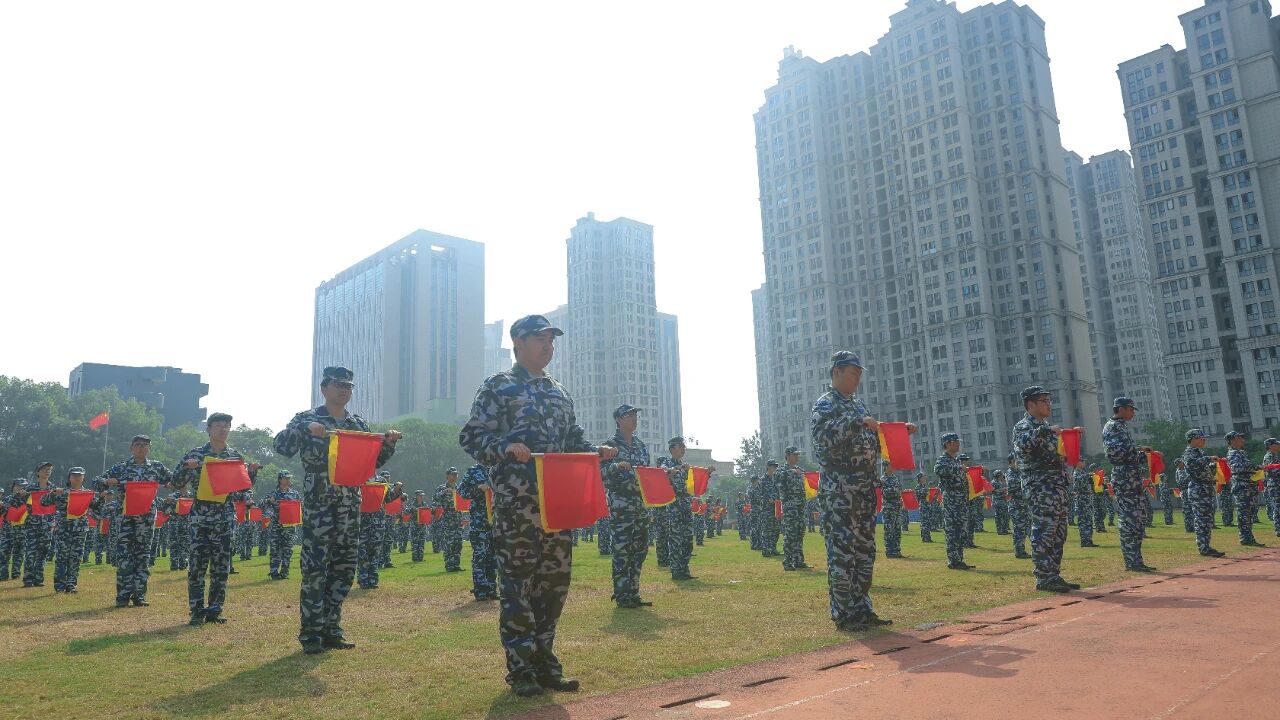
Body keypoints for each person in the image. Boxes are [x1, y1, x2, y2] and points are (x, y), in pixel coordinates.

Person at [458, 314, 617, 696]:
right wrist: (504, 447)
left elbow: (573, 439)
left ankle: (546, 663)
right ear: (518, 342)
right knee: (518, 587)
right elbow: (472, 437)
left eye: (551, 340)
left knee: (553, 586)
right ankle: (521, 670)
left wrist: (595, 451)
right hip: (518, 506)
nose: (548, 346)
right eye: (540, 339)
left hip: (557, 504)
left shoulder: (559, 392)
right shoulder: (498, 386)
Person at [273, 365, 400, 654]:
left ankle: (332, 629)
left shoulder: (357, 424)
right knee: (315, 568)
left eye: (349, 386)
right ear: (324, 388)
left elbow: (370, 464)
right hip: (320, 505)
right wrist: (304, 430)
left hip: (349, 505)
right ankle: (311, 633)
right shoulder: (307, 418)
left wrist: (388, 444)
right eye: (339, 384)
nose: (345, 390)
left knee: (343, 568)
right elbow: (281, 445)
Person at [812, 350, 912, 630]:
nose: (857, 378)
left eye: (859, 374)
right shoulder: (825, 404)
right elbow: (823, 438)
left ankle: (862, 609)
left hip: (865, 489)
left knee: (864, 552)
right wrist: (855, 423)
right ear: (837, 373)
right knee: (842, 554)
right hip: (840, 491)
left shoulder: (859, 405)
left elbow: (873, 440)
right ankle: (844, 614)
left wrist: (899, 432)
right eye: (853, 373)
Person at [170, 412, 260, 625]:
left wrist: (251, 473)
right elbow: (175, 481)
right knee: (197, 567)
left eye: (227, 425)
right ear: (209, 429)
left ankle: (215, 611)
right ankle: (196, 611)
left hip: (224, 517)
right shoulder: (196, 454)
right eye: (218, 425)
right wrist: (187, 467)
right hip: (200, 517)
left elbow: (242, 489)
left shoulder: (235, 457)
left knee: (221, 567)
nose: (223, 429)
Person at [1012, 386, 1078, 593]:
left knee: (1059, 533)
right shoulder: (1023, 426)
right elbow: (1023, 445)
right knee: (1044, 531)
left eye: (1049, 400)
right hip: (1040, 487)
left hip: (1057, 486)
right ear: (1031, 404)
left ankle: (1054, 575)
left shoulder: (1048, 427)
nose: (1049, 404)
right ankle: (1043, 577)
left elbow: (1058, 454)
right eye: (1044, 401)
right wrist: (1045, 431)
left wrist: (1070, 437)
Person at [99, 435, 172, 607]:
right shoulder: (121, 467)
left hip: (146, 518)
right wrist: (107, 481)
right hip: (126, 518)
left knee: (143, 556)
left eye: (145, 445)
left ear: (149, 449)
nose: (141, 448)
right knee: (124, 557)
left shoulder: (156, 467)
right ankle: (123, 596)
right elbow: (97, 482)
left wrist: (172, 484)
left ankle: (139, 595)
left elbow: (176, 479)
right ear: (131, 448)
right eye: (138, 445)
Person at [599, 404, 651, 607]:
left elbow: (646, 472)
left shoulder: (640, 445)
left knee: (640, 549)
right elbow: (600, 474)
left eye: (635, 415)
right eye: (629, 416)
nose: (634, 419)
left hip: (640, 503)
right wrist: (615, 466)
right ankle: (622, 595)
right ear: (618, 420)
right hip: (621, 503)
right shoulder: (609, 446)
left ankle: (633, 593)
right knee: (622, 550)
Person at [1103, 397, 1156, 572]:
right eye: (1131, 409)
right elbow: (1115, 454)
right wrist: (1138, 450)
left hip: (1132, 477)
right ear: (1121, 409)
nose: (1133, 412)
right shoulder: (1112, 426)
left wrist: (1142, 454)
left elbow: (1127, 453)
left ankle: (1136, 560)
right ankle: (1132, 562)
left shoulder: (1122, 427)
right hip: (1124, 477)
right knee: (1129, 519)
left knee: (1138, 518)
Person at [41, 467, 93, 593]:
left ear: (83, 478)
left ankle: (71, 584)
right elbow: (43, 502)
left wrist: (101, 497)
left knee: (76, 557)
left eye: (79, 475)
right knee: (62, 557)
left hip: (80, 530)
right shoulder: (61, 492)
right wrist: (53, 493)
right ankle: (60, 585)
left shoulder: (87, 493)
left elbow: (99, 508)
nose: (77, 477)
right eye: (74, 475)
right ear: (69, 477)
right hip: (64, 529)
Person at [457, 464, 498, 600]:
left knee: (493, 556)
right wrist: (478, 488)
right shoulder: (473, 471)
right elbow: (461, 491)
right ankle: (480, 590)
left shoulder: (499, 468)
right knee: (480, 555)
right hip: (479, 521)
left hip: (497, 520)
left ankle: (492, 589)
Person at [1181, 429, 1224, 557]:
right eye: (1201, 438)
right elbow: (1192, 465)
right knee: (1201, 519)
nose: (1204, 440)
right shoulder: (1189, 452)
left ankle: (1206, 546)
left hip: (1206, 488)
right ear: (1193, 439)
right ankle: (1203, 548)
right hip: (1198, 489)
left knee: (1207, 519)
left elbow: (1203, 470)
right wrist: (1208, 458)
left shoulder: (1199, 452)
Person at [661, 436, 697, 580]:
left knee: (687, 539)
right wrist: (673, 469)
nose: (683, 449)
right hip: (674, 506)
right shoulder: (667, 463)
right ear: (672, 449)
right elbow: (663, 471)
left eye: (683, 446)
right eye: (680, 446)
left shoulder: (685, 466)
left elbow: (691, 484)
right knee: (676, 539)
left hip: (685, 505)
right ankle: (676, 571)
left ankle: (684, 569)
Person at [935, 433, 971, 570]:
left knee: (962, 531)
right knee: (952, 530)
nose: (958, 444)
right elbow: (939, 470)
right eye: (955, 442)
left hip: (961, 500)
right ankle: (953, 560)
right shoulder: (943, 460)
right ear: (947, 444)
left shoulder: (956, 460)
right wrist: (959, 468)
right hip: (951, 500)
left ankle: (959, 559)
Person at [1225, 431, 1266, 547]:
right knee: (1244, 513)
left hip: (1249, 486)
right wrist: (1255, 467)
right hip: (1242, 487)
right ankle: (1245, 538)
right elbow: (1237, 468)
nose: (1242, 440)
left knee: (1250, 512)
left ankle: (1248, 537)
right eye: (1239, 438)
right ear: (1232, 440)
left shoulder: (1241, 453)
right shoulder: (1233, 453)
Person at [261, 470, 301, 579]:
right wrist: (269, 501)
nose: (288, 480)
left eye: (289, 478)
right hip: (277, 527)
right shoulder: (273, 493)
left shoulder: (295, 494)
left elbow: (300, 507)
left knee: (288, 550)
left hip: (290, 527)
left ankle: (285, 573)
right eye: (286, 478)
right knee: (275, 550)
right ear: (280, 480)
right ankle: (274, 572)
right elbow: (261, 505)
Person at [23, 462, 55, 587]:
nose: (47, 471)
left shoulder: (53, 488)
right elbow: (16, 502)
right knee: (30, 552)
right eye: (45, 469)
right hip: (32, 525)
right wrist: (22, 495)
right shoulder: (30, 488)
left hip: (47, 525)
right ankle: (28, 579)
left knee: (43, 552)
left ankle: (38, 579)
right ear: (38, 472)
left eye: (49, 469)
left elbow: (59, 505)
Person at [432, 469, 465, 572]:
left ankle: (456, 564)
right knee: (449, 543)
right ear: (447, 476)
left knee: (458, 543)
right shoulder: (442, 488)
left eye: (456, 474)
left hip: (458, 519)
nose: (455, 476)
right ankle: (449, 565)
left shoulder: (459, 488)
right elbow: (435, 499)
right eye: (452, 474)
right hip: (447, 519)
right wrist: (445, 492)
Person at [1, 478, 30, 580]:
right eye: (19, 486)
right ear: (13, 487)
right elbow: (3, 512)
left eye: (23, 486)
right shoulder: (7, 499)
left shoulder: (29, 500)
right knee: (4, 553)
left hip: (22, 531)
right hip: (7, 531)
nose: (21, 488)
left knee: (19, 553)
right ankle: (3, 574)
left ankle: (16, 573)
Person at [1071, 462, 1097, 548]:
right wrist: (1088, 475)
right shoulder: (1076, 473)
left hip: (1087, 499)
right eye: (1082, 461)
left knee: (1089, 520)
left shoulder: (1082, 472)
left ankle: (1089, 540)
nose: (1084, 463)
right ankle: (1084, 541)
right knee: (1083, 520)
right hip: (1082, 499)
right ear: (1077, 463)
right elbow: (1078, 481)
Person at [1264, 438, 1280, 539]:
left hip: (1277, 484)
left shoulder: (1276, 456)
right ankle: (1278, 529)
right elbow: (1273, 471)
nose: (1278, 446)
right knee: (1277, 508)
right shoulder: (1269, 456)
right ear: (1270, 446)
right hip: (1274, 485)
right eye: (1276, 444)